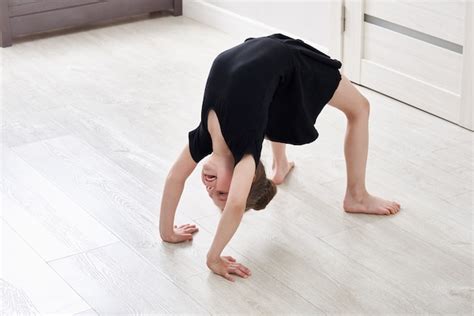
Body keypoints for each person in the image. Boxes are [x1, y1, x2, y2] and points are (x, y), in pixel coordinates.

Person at [159, 33, 401, 282]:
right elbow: (235, 205)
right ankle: (356, 196)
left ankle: (282, 164)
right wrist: (213, 258)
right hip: (289, 61)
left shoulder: (203, 138)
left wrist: (168, 232)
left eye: (212, 194)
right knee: (360, 107)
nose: (209, 189)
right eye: (221, 193)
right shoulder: (245, 153)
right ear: (249, 175)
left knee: (267, 105)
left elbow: (175, 178)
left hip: (262, 52)